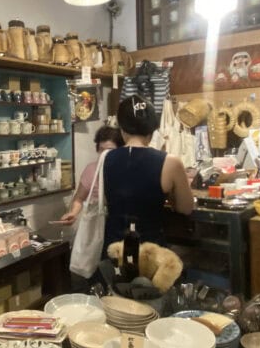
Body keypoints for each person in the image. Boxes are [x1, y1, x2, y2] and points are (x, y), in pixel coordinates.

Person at [101, 94, 194, 254]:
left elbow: (105, 200)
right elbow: (185, 208)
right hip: (150, 254)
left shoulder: (106, 158)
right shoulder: (171, 162)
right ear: (152, 130)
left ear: (121, 129)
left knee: (114, 270)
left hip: (114, 250)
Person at [58, 125, 123, 225]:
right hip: (95, 223)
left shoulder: (125, 170)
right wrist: (73, 213)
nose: (104, 154)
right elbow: (79, 198)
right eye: (101, 150)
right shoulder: (91, 170)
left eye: (110, 150)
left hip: (119, 223)